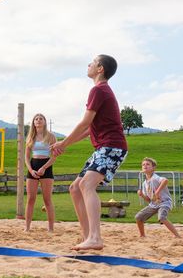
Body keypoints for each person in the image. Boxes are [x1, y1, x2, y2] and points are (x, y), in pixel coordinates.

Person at [51, 54, 128, 250]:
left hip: (112, 146)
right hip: (104, 148)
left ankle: (95, 237)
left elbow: (84, 123)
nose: (88, 64)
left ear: (100, 69)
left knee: (86, 184)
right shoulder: (101, 91)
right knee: (75, 188)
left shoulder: (98, 90)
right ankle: (87, 236)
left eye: (92, 62)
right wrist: (65, 143)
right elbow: (87, 130)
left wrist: (63, 143)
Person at [23, 113, 57, 232]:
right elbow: (26, 158)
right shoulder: (30, 137)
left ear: (44, 122)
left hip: (46, 167)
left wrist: (44, 168)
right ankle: (27, 228)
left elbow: (54, 157)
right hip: (33, 167)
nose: (38, 121)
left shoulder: (51, 136)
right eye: (36, 119)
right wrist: (31, 170)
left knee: (47, 199)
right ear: (33, 122)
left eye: (41, 119)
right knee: (30, 199)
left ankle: (51, 229)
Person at [136, 157, 180, 238]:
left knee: (162, 218)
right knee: (138, 217)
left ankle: (177, 236)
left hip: (164, 202)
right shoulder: (144, 183)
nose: (145, 166)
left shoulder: (155, 177)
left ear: (153, 168)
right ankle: (142, 235)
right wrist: (142, 195)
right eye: (143, 165)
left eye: (148, 164)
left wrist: (157, 192)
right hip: (153, 204)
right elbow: (149, 200)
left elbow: (165, 180)